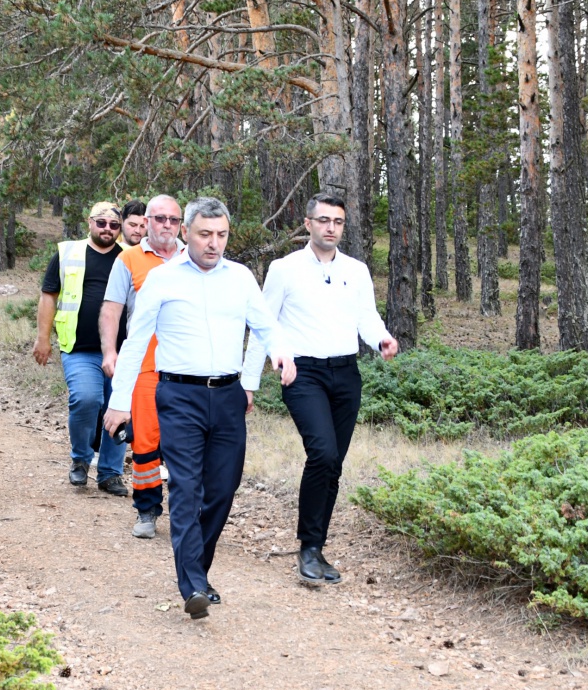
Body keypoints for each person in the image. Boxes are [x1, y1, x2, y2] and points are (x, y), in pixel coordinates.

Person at [104, 197, 295, 619]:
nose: (214, 243)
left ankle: (199, 569)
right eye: (205, 234)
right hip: (179, 396)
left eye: (222, 235)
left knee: (222, 489)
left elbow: (266, 325)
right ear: (186, 233)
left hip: (227, 397)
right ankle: (191, 583)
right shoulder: (163, 279)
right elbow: (136, 342)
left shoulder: (241, 278)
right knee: (187, 489)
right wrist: (120, 401)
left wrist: (282, 353)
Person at [243, 194, 397, 584]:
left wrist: (381, 340)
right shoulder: (284, 269)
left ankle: (316, 547)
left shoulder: (357, 270)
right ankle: (308, 549)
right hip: (303, 373)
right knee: (322, 453)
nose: (331, 227)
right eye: (324, 220)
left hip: (346, 374)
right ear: (307, 224)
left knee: (333, 465)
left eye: (338, 222)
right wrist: (248, 382)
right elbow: (265, 323)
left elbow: (366, 317)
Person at [100, 194, 183, 540]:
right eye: (159, 218)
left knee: (183, 442)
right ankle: (147, 509)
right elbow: (111, 309)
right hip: (145, 366)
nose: (166, 225)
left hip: (186, 366)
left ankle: (185, 509)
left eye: (173, 220)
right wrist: (109, 352)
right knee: (146, 441)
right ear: (146, 221)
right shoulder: (128, 259)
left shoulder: (193, 256)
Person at [34, 201, 128, 495]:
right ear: (90, 222)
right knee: (86, 399)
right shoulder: (67, 253)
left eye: (114, 225)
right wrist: (43, 338)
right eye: (101, 223)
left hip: (123, 350)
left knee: (119, 408)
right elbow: (49, 296)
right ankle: (80, 459)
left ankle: (111, 473)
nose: (107, 229)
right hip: (79, 347)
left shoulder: (129, 257)